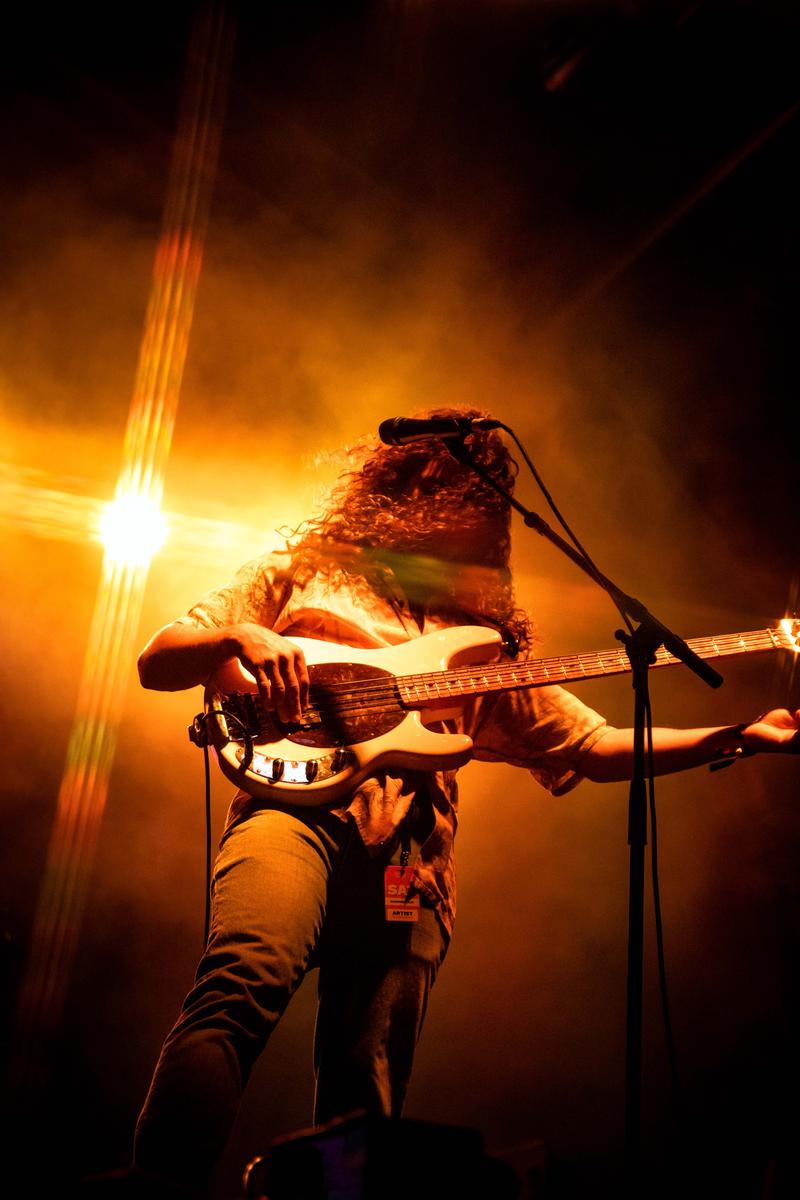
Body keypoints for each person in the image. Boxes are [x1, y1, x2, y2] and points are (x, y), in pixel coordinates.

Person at [126, 410, 798, 1198]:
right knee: (239, 984)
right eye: (455, 483)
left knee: (365, 1080)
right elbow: (158, 658)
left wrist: (743, 733)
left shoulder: (476, 646)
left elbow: (596, 745)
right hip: (292, 813)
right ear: (405, 485)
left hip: (413, 857)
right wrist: (240, 638)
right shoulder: (304, 568)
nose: (474, 509)